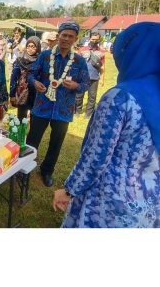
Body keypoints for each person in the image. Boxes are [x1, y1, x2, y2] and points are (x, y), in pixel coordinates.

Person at [53, 22, 160, 227]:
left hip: (110, 205)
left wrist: (68, 191)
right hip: (150, 207)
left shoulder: (121, 98)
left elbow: (96, 157)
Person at [26, 22, 90, 187]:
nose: (66, 39)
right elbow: (31, 74)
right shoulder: (45, 56)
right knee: (32, 139)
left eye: (70, 36)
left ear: (76, 39)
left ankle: (47, 171)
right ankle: (25, 168)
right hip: (41, 106)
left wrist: (76, 86)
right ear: (58, 36)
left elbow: (86, 83)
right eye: (64, 35)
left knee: (56, 143)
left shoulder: (79, 61)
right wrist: (35, 83)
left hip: (63, 110)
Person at [10, 36, 41, 121]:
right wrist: (12, 95)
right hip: (22, 93)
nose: (30, 49)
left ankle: (31, 134)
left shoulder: (40, 60)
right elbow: (13, 77)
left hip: (35, 93)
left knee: (34, 119)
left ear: (38, 47)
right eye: (28, 46)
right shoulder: (20, 59)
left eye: (33, 47)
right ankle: (20, 133)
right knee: (20, 118)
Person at [75, 32, 106, 118]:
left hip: (94, 77)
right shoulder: (82, 50)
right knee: (79, 95)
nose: (94, 41)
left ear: (99, 40)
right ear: (89, 39)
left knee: (92, 97)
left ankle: (88, 114)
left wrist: (102, 79)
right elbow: (76, 63)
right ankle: (77, 111)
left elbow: (102, 67)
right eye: (93, 39)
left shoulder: (102, 52)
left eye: (96, 40)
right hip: (81, 77)